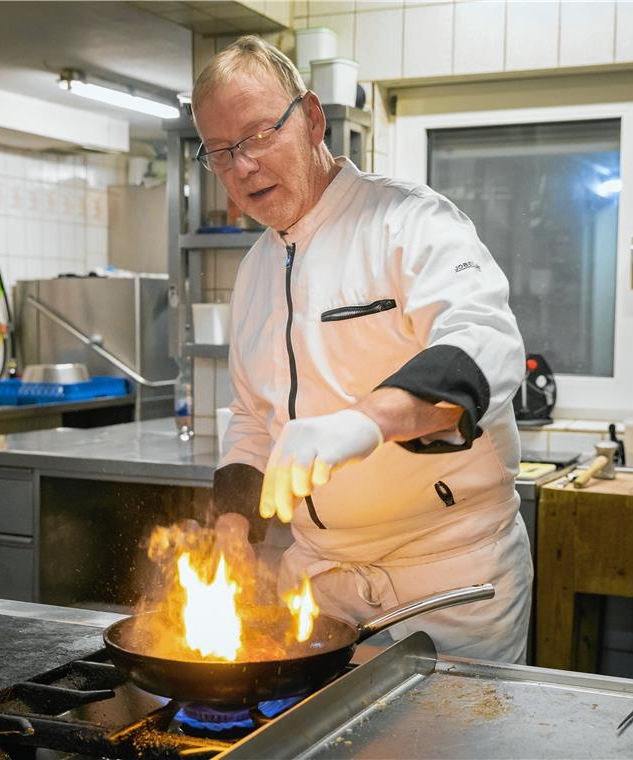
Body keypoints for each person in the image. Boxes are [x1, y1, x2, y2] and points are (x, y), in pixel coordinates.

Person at [196, 36, 532, 664]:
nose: (242, 166)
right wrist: (234, 529)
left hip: (449, 581)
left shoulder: (409, 222)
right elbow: (250, 419)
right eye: (220, 151)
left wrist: (364, 421)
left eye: (260, 134)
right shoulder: (252, 273)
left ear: (313, 117)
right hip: (321, 584)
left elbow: (483, 344)